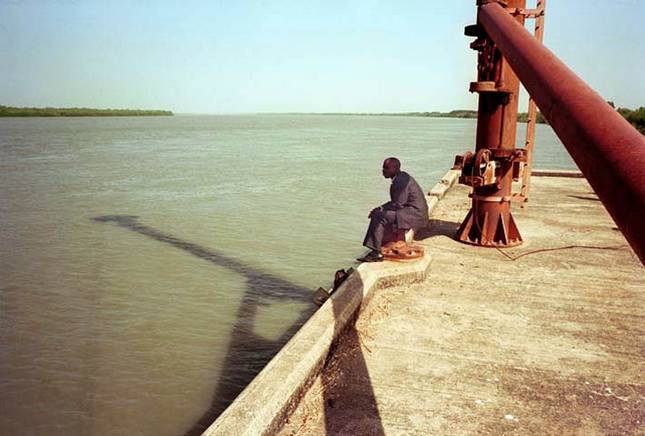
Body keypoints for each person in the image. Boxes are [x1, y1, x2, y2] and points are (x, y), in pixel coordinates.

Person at [358, 157, 429, 262]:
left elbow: (398, 204)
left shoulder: (400, 181)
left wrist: (378, 211)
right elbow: (397, 203)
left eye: (386, 168)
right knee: (379, 213)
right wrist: (381, 208)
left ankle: (375, 252)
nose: (383, 171)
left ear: (395, 169)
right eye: (383, 168)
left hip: (414, 215)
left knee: (378, 216)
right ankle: (378, 246)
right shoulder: (401, 177)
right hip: (412, 212)